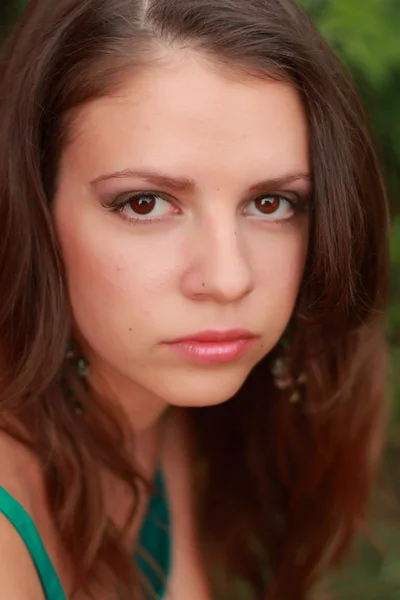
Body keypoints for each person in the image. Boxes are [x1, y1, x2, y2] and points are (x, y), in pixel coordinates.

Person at [0, 0, 390, 598]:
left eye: (271, 203)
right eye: (145, 203)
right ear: (31, 207)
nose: (229, 279)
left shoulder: (142, 403)